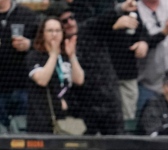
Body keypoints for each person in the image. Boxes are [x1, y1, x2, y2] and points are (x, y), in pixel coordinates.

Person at [48, 0, 130, 135]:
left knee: (115, 145)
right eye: (64, 21)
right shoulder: (56, 48)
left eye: (71, 18)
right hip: (82, 106)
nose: (70, 23)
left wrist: (121, 8)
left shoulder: (87, 31)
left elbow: (103, 20)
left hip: (108, 101)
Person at [25, 16, 84, 133]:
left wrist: (72, 56)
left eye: (58, 31)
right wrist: (53, 55)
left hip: (67, 117)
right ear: (43, 33)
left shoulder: (65, 56)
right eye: (50, 31)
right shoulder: (35, 56)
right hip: (42, 119)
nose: (54, 34)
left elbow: (79, 80)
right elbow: (42, 80)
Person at [0, 0, 40, 129]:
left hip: (23, 87)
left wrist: (29, 44)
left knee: (22, 134)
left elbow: (43, 43)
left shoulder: (27, 15)